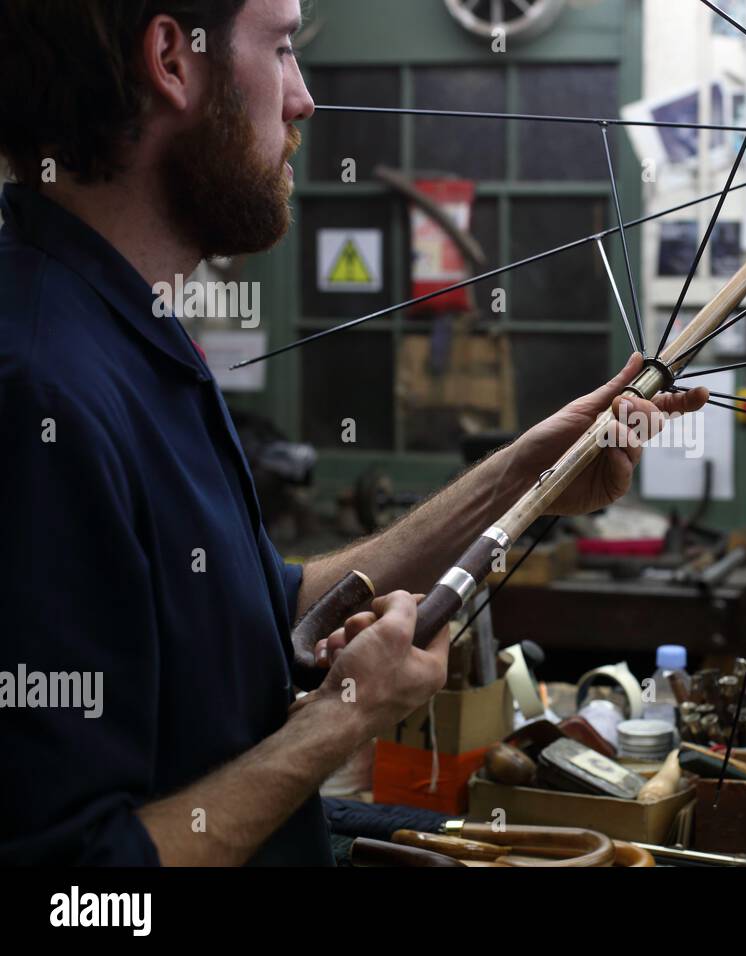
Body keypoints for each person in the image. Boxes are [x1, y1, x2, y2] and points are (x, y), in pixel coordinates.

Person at [0, 0, 706, 865]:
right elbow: (77, 890)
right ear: (174, 59)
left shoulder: (136, 341)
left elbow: (269, 611)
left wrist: (523, 472)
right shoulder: (38, 390)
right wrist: (345, 717)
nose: (303, 100)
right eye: (285, 48)